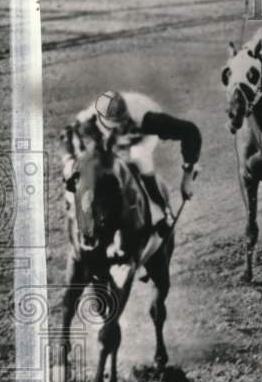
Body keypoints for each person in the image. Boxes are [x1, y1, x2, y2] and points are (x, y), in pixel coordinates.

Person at [61, 90, 201, 258]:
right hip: (105, 137)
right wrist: (69, 162)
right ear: (100, 122)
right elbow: (66, 139)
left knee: (139, 157)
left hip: (140, 134)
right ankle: (76, 212)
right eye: (116, 125)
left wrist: (187, 178)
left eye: (124, 121)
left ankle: (161, 213)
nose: (121, 126)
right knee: (80, 170)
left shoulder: (148, 119)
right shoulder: (86, 122)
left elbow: (191, 132)